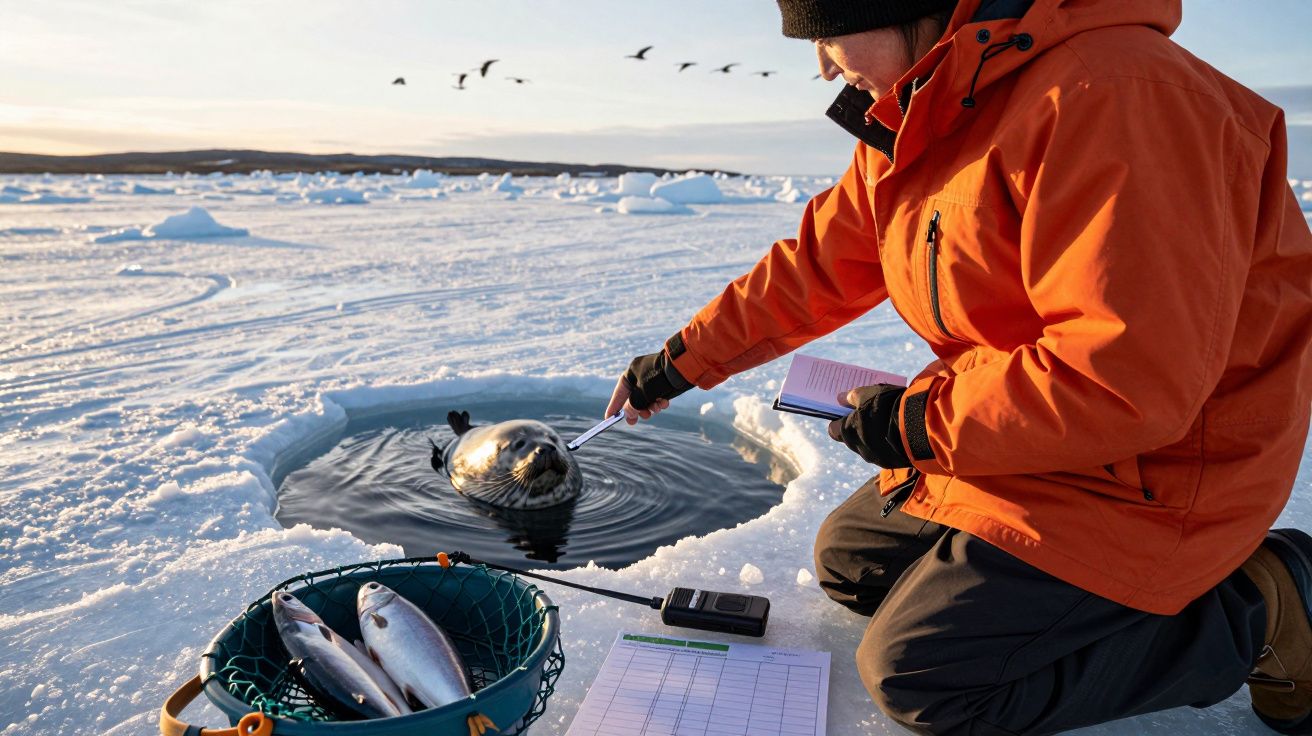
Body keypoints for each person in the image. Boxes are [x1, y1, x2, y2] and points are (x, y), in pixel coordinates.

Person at [604, 0, 1312, 733]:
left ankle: (1262, 609)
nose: (822, 67)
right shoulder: (928, 106)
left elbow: (1127, 380)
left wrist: (920, 424)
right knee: (853, 564)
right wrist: (681, 362)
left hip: (1158, 468)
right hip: (1040, 435)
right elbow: (820, 263)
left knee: (925, 679)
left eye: (829, 36)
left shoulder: (1116, 97)